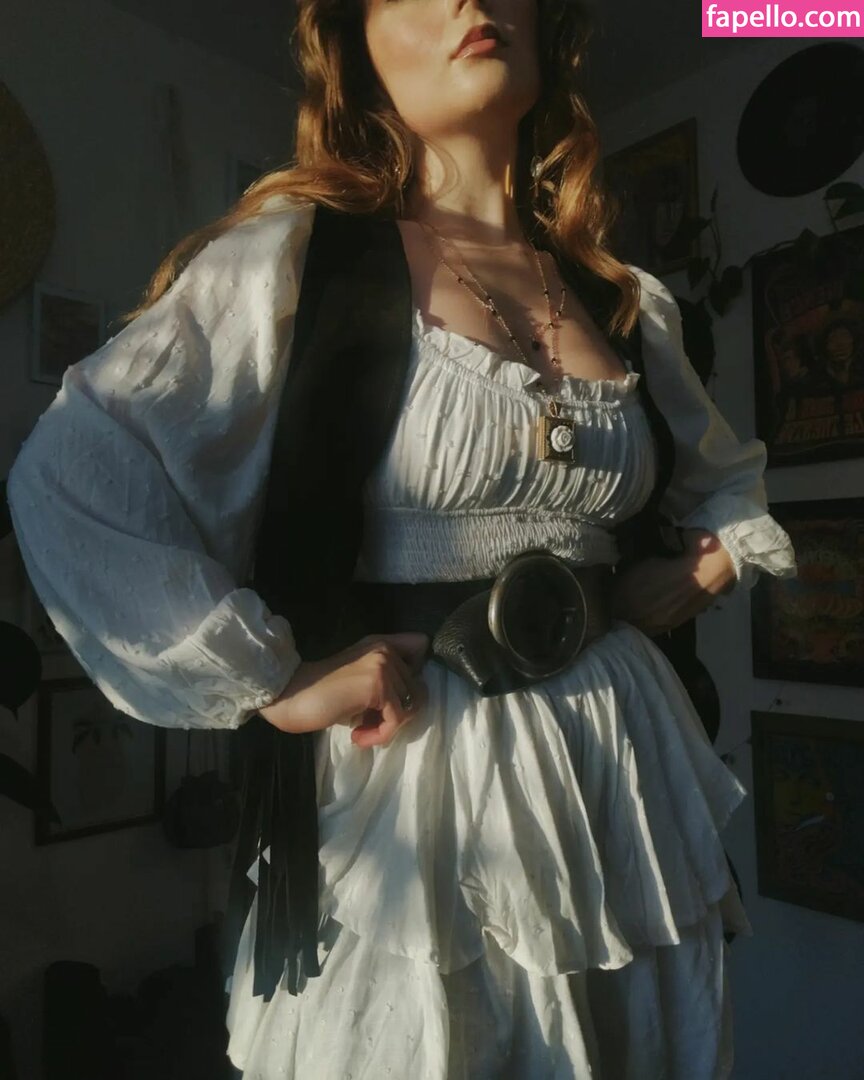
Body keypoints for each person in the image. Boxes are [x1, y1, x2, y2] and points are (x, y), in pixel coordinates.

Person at [6, 0, 798, 1076]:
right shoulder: (299, 261)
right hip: (422, 767)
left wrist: (707, 566)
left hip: (622, 764)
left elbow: (726, 481)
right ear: (358, 54)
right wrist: (272, 679)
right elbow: (75, 471)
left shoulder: (622, 300)